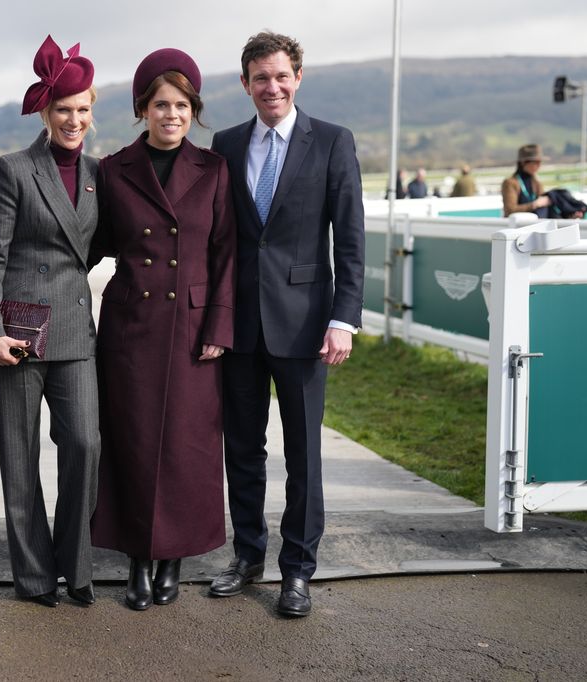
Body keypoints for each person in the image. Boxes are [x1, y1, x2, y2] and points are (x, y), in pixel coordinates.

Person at [209, 31, 364, 618]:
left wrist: (344, 319)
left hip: (305, 327)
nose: (270, 87)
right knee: (242, 451)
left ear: (298, 77)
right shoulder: (225, 144)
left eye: (280, 76)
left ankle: (296, 570)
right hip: (241, 326)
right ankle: (247, 556)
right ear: (245, 82)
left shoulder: (331, 141)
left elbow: (349, 240)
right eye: (259, 78)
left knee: (303, 456)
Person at [90, 48, 236, 611]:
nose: (170, 114)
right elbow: (91, 241)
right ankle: (136, 561)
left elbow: (226, 254)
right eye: (159, 104)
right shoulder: (114, 169)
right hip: (130, 326)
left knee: (186, 446)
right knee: (130, 441)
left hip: (195, 330)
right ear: (142, 109)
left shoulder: (214, 170)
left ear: (193, 110)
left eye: (180, 105)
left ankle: (173, 559)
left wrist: (220, 324)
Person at [0, 36, 101, 608]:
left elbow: (90, 249)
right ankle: (34, 576)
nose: (74, 120)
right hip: (15, 336)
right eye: (64, 109)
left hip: (73, 335)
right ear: (46, 113)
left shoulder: (99, 174)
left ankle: (76, 565)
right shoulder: (13, 170)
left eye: (84, 110)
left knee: (85, 445)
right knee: (19, 462)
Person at [502, 144, 551, 217]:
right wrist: (535, 205)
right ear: (523, 163)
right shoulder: (510, 183)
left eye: (540, 162)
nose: (539, 165)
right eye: (536, 162)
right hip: (517, 226)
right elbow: (510, 210)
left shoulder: (537, 183)